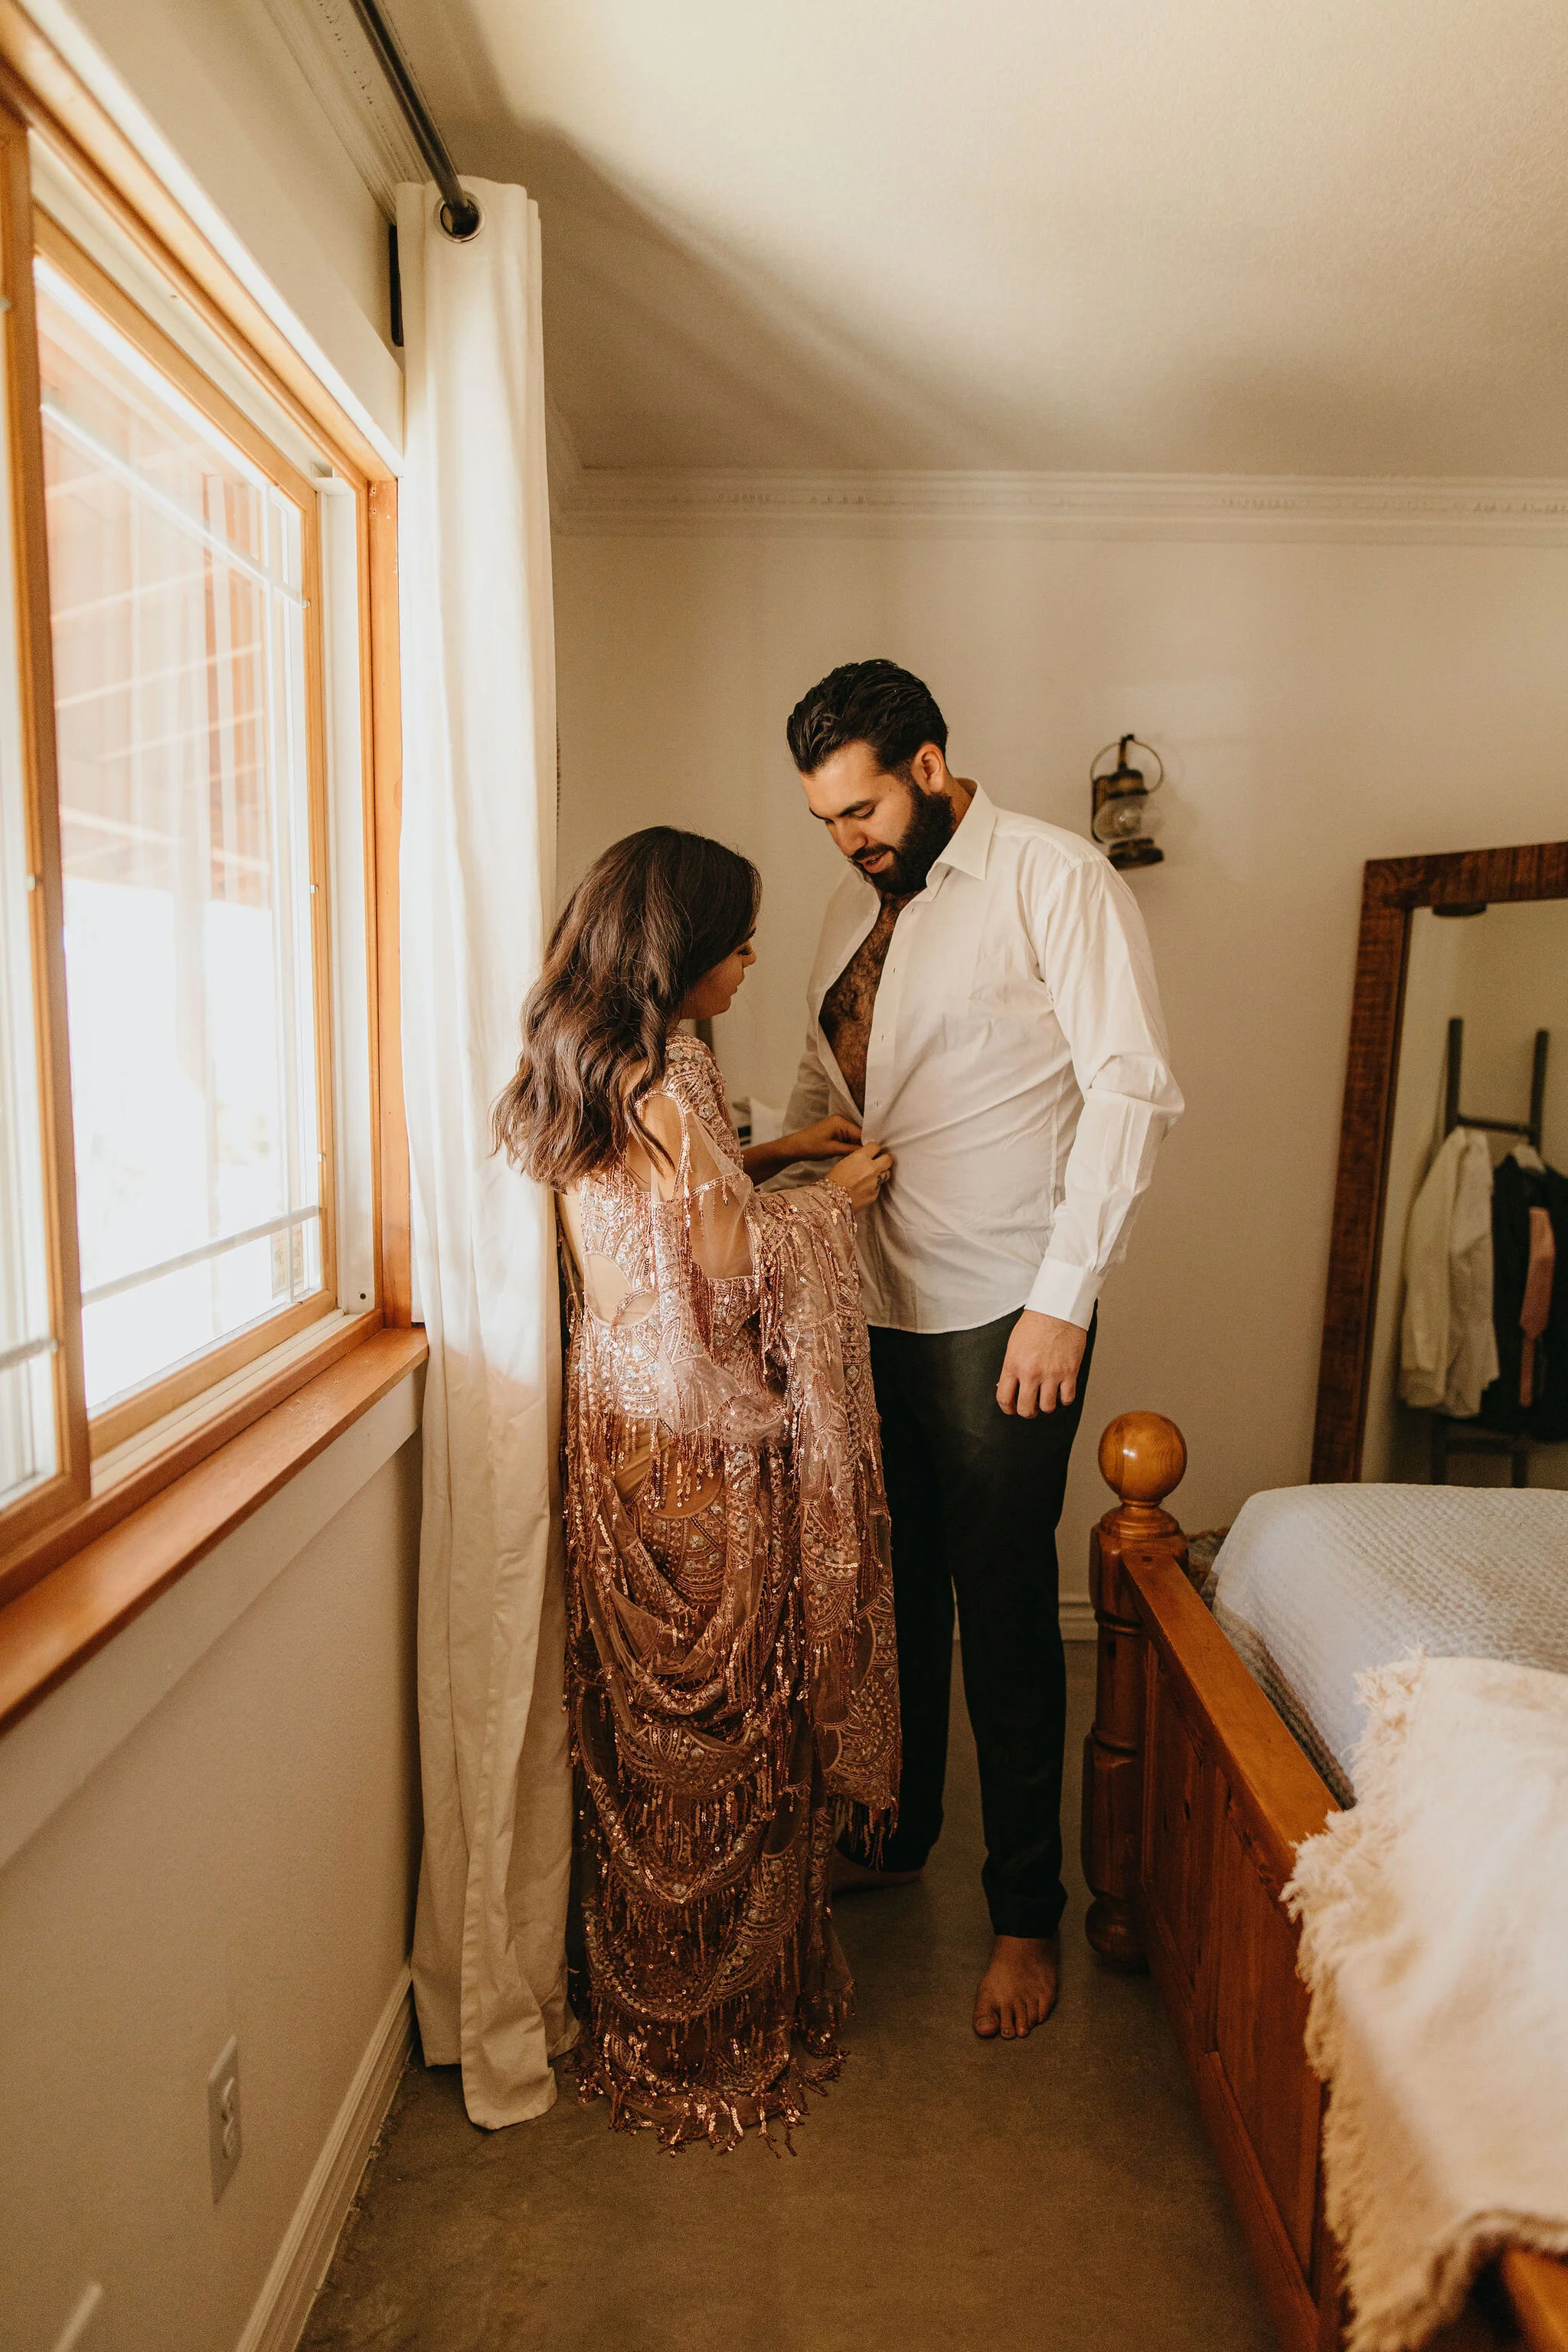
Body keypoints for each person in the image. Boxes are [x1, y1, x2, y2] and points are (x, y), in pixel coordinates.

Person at [780, 660, 1183, 2043]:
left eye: (867, 807)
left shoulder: (1054, 878)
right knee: (890, 1599)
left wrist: (1066, 1298)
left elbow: (1133, 1087)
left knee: (1005, 1610)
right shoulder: (853, 907)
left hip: (1009, 1303)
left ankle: (1026, 1915)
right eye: (829, 818)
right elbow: (824, 1086)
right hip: (867, 1300)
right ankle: (896, 1839)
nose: (849, 838)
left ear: (934, 765)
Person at [493, 827, 900, 2148]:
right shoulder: (674, 1070)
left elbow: (654, 1223)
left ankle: (645, 2003)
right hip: (708, 1449)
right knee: (738, 1729)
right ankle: (721, 2021)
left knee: (644, 1735)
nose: (750, 959)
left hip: (616, 1430)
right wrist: (832, 1196)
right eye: (737, 940)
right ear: (679, 954)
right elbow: (724, 1273)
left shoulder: (573, 1057)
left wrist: (770, 1152)